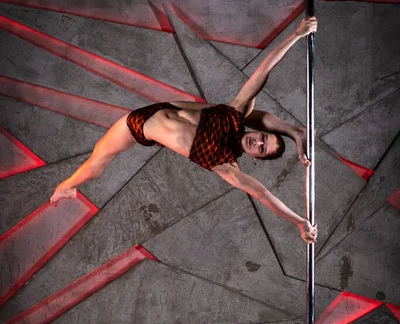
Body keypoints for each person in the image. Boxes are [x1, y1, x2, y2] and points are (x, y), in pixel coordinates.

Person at [50, 16, 318, 243]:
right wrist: (296, 34)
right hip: (154, 110)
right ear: (256, 132)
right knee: (244, 108)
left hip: (139, 127)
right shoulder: (236, 114)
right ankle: (295, 132)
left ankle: (65, 187)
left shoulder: (226, 165)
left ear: (256, 159)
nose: (257, 143)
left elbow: (263, 194)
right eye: (262, 139)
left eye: (262, 149)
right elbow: (264, 70)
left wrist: (298, 222)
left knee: (97, 166)